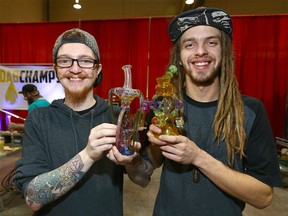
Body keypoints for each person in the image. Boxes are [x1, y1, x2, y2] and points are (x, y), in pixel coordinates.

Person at [146, 7, 281, 216]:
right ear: (180, 57)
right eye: (190, 44)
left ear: (224, 51)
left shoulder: (250, 111)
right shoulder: (165, 104)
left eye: (211, 42)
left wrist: (197, 157)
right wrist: (132, 156)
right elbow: (142, 174)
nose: (200, 51)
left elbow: (263, 197)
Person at [13, 28, 153, 215]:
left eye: (85, 61)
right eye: (65, 61)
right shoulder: (39, 119)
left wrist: (132, 161)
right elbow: (33, 198)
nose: (75, 69)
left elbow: (143, 179)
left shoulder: (118, 115)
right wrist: (88, 155)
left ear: (97, 70)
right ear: (56, 69)